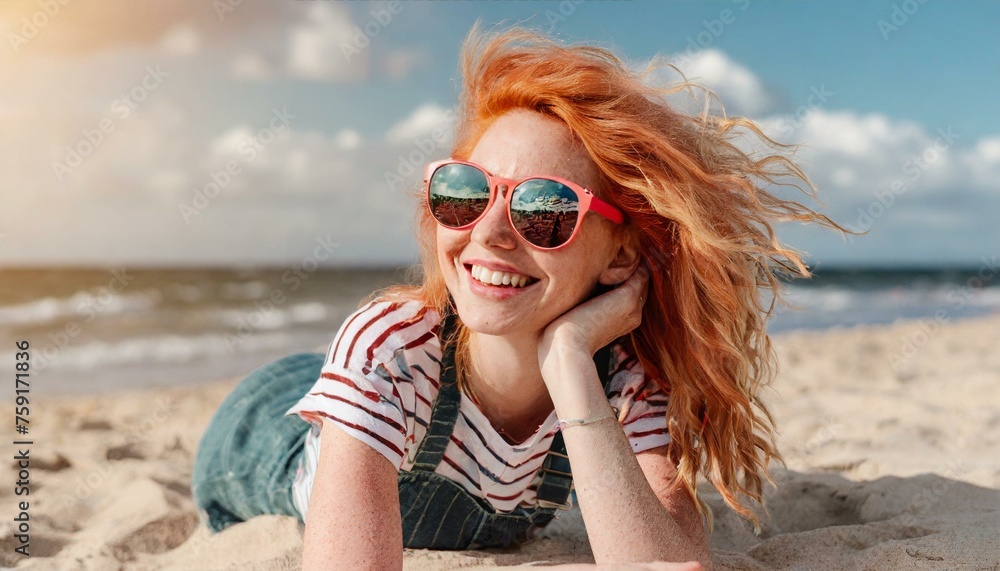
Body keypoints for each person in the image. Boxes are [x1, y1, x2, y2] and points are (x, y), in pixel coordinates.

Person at [192, 23, 843, 571]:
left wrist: (570, 366)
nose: (492, 231)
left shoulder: (621, 383)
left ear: (620, 253)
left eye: (545, 207)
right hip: (262, 430)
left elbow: (664, 559)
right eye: (467, 192)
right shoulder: (389, 349)